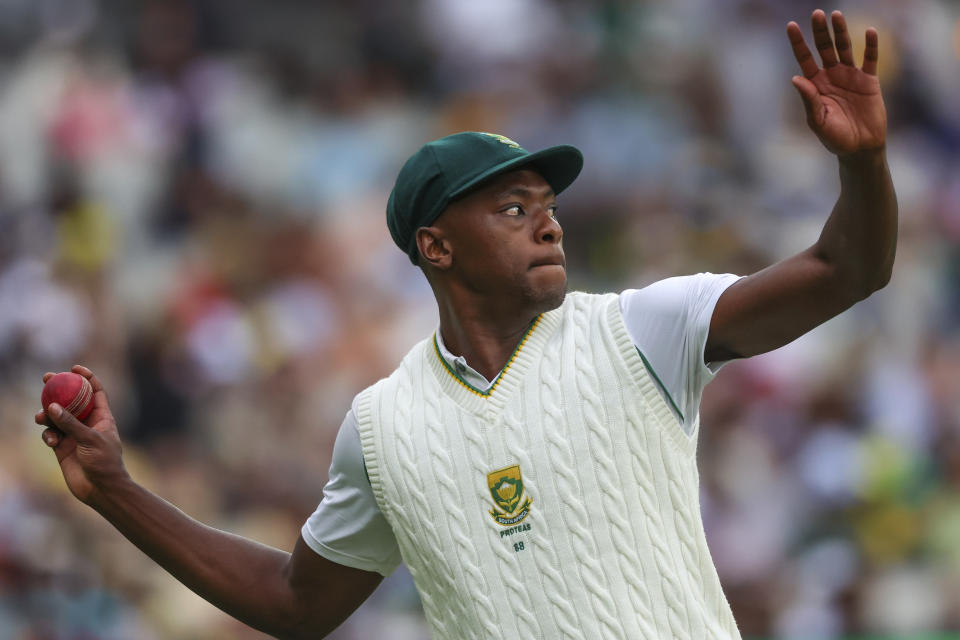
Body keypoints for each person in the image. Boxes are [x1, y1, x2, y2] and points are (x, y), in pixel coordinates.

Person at [36, 10, 896, 640]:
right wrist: (115, 488)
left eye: (548, 206)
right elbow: (295, 603)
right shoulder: (383, 426)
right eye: (514, 209)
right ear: (437, 246)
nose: (550, 224)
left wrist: (863, 168)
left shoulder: (643, 329)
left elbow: (844, 270)